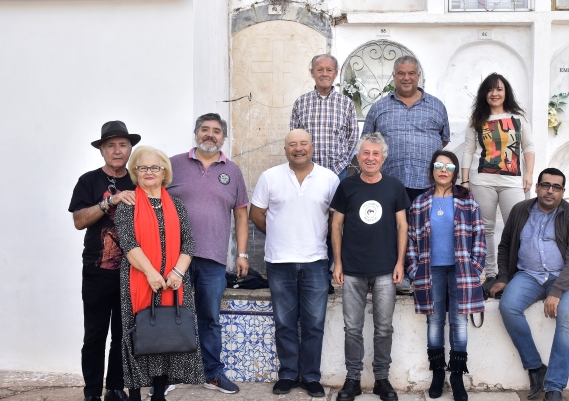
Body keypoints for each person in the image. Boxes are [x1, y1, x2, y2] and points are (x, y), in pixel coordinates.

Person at [249, 129, 340, 397]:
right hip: (279, 262)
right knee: (285, 322)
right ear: (285, 148)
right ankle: (288, 374)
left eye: (303, 143)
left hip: (315, 262)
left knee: (314, 324)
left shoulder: (329, 178)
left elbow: (337, 221)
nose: (298, 148)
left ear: (312, 146)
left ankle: (311, 377)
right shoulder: (270, 177)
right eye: (292, 144)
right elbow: (256, 214)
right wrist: (280, 233)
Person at [489, 168, 569, 401]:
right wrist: (503, 277)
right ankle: (535, 367)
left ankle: (554, 387)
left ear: (563, 191)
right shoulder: (520, 210)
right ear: (537, 187)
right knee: (508, 307)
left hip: (563, 277)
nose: (550, 191)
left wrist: (557, 290)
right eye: (545, 185)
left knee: (566, 320)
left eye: (556, 187)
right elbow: (505, 246)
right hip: (528, 275)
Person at [168, 113, 249, 394]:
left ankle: (212, 373)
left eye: (216, 131)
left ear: (223, 138)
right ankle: (170, 374)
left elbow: (241, 215)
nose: (210, 135)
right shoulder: (173, 165)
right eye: (205, 129)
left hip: (213, 258)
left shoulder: (233, 171)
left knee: (209, 318)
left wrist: (242, 254)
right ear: (195, 133)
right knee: (173, 314)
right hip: (174, 259)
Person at [114, 146, 204, 401]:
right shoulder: (128, 204)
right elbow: (128, 244)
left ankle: (159, 394)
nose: (149, 172)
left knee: (167, 334)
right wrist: (152, 274)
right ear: (135, 172)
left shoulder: (177, 205)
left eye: (155, 167)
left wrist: (176, 273)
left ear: (165, 172)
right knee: (139, 333)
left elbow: (189, 244)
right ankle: (134, 394)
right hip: (139, 279)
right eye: (142, 168)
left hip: (174, 281)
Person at [331, 132, 410, 401]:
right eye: (366, 153)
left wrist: (400, 263)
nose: (370, 158)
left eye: (376, 153)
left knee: (384, 328)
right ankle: (352, 379)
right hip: (352, 269)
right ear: (358, 156)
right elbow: (336, 225)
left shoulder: (394, 187)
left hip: (386, 269)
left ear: (383, 158)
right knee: (352, 328)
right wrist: (338, 263)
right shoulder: (347, 187)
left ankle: (381, 380)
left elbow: (402, 226)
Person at [362, 55, 450, 293]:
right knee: (390, 230)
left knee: (425, 231)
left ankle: (423, 276)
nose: (406, 77)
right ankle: (393, 276)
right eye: (401, 73)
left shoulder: (436, 106)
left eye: (411, 73)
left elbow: (443, 139)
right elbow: (368, 140)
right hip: (390, 182)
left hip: (426, 182)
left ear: (418, 76)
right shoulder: (379, 107)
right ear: (394, 76)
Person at [69, 120, 141, 401]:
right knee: (95, 334)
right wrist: (108, 202)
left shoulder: (138, 181)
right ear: (101, 150)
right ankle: (91, 393)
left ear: (130, 148)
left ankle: (115, 387)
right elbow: (78, 221)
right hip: (97, 270)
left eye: (122, 144)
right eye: (110, 145)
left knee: (124, 335)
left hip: (132, 272)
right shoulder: (89, 181)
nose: (117, 150)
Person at [407, 150, 486, 401]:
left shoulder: (467, 201)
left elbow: (479, 236)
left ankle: (457, 376)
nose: (444, 170)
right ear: (432, 169)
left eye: (449, 167)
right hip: (430, 269)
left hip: (461, 269)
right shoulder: (420, 203)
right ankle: (438, 373)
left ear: (454, 172)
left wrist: (475, 266)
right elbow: (410, 239)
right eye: (439, 165)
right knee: (435, 321)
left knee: (459, 323)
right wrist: (413, 268)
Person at [290, 53, 359, 293]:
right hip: (307, 174)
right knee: (309, 220)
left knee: (335, 223)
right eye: (319, 69)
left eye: (329, 70)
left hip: (337, 173)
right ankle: (310, 271)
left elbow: (352, 139)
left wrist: (340, 167)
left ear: (335, 74)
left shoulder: (346, 103)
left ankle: (331, 270)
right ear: (312, 73)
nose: (324, 73)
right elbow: (295, 139)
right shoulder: (301, 103)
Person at [461, 73, 535, 281]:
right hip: (482, 180)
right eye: (490, 89)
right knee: (486, 228)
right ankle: (491, 274)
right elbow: (468, 150)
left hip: (512, 180)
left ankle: (511, 273)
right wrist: (464, 180)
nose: (495, 93)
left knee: (517, 226)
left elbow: (529, 147)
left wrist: (529, 173)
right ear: (485, 93)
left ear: (506, 93)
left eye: (499, 89)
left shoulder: (518, 119)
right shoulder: (477, 119)